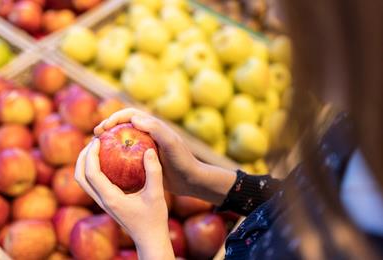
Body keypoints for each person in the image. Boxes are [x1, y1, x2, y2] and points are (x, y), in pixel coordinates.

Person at [74, 0, 382, 259]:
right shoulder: (364, 122)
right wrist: (199, 179)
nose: (276, 19)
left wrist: (152, 242)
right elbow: (300, 204)